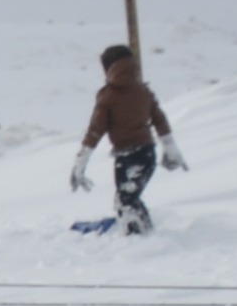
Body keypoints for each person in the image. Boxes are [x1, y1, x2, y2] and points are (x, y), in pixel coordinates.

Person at [74, 44, 185, 235]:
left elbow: (95, 131)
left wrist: (80, 163)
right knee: (128, 199)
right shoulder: (143, 91)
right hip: (147, 154)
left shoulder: (108, 96)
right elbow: (160, 120)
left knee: (125, 201)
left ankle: (141, 239)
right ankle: (144, 234)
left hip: (127, 157)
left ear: (108, 69)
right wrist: (170, 147)